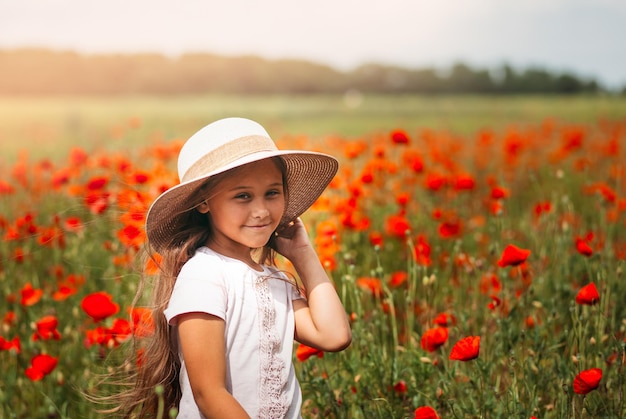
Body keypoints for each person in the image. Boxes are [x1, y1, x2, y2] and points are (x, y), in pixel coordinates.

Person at [116, 117, 352, 418]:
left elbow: (333, 336)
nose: (262, 211)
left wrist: (304, 254)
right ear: (204, 202)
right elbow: (208, 392)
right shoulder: (204, 275)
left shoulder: (275, 281)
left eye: (272, 193)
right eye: (243, 196)